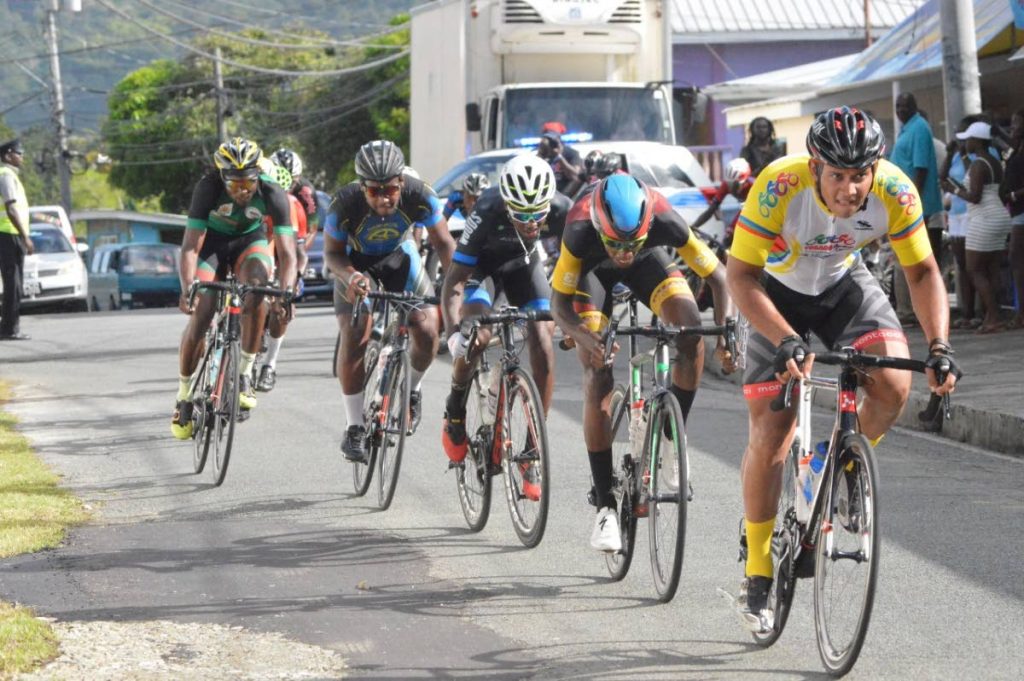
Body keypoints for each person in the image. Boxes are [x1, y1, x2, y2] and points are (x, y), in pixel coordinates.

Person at [725, 107, 959, 631]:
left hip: (841, 288)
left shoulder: (895, 192)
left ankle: (835, 463)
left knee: (894, 383)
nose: (850, 190)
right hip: (773, 293)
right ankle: (759, 568)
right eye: (837, 176)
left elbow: (921, 270)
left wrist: (940, 345)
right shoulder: (778, 185)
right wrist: (784, 338)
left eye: (860, 176)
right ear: (814, 167)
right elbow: (739, 275)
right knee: (772, 432)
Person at [550, 173, 734, 552]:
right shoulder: (580, 227)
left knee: (691, 331)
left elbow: (718, 275)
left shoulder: (664, 217)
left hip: (651, 264)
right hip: (591, 272)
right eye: (616, 244)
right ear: (601, 227)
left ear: (647, 225)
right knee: (596, 370)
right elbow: (559, 304)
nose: (624, 252)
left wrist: (729, 331)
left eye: (631, 242)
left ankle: (669, 436)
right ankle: (604, 508)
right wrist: (586, 338)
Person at [440, 156, 570, 499]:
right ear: (506, 203)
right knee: (478, 336)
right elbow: (454, 281)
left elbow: (585, 265)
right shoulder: (486, 208)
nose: (530, 222)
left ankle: (531, 452)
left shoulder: (562, 210)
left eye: (536, 215)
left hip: (525, 267)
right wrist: (455, 332)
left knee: (543, 338)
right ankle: (454, 411)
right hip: (483, 271)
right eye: (520, 214)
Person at [325, 140, 456, 463]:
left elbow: (444, 243)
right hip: (356, 264)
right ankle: (354, 427)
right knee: (356, 330)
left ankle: (412, 390)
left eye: (390, 190)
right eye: (374, 191)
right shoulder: (344, 203)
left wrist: (457, 289)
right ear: (362, 186)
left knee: (427, 330)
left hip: (400, 258)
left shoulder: (419, 193)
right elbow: (332, 253)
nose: (383, 198)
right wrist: (350, 277)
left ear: (401, 182)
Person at [171, 138, 297, 439]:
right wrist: (188, 286)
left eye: (248, 183)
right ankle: (184, 395)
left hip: (248, 243)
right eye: (234, 184)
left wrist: (286, 292)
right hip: (211, 245)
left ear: (258, 176)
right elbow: (190, 246)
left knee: (259, 293)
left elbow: (289, 254)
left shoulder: (273, 193)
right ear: (222, 177)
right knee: (202, 311)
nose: (242, 190)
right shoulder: (207, 187)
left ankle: (244, 374)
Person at [950, 121, 1011, 334]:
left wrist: (954, 190)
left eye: (968, 139)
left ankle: (993, 316)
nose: (965, 142)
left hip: (983, 217)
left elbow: (974, 197)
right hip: (999, 215)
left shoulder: (979, 164)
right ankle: (995, 315)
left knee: (974, 269)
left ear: (976, 141)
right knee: (992, 268)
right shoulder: (994, 162)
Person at [890, 94, 945, 323]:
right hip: (901, 205)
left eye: (905, 106)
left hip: (915, 207)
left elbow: (920, 169)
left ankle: (917, 311)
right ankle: (908, 310)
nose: (901, 110)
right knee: (903, 261)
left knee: (914, 262)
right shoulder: (907, 128)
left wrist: (911, 206)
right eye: (898, 106)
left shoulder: (920, 127)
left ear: (915, 107)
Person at [254, 161, 308, 392]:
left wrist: (294, 280)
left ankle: (270, 365)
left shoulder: (289, 204)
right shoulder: (245, 198)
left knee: (280, 309)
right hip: (254, 251)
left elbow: (294, 252)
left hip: (280, 255)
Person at [940, 117, 981, 329]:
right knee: (962, 266)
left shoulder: (981, 156)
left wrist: (964, 153)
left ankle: (979, 311)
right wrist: (950, 153)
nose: (960, 139)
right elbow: (942, 176)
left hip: (972, 214)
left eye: (964, 134)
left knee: (974, 265)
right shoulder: (956, 155)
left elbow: (969, 175)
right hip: (955, 214)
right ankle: (967, 312)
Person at [0, 139, 32, 341]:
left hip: (9, 234)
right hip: (9, 234)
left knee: (13, 283)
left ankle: (7, 327)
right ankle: (10, 329)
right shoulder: (5, 175)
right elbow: (11, 209)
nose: (21, 157)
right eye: (18, 153)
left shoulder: (8, 175)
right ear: (7, 155)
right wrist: (25, 237)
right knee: (13, 284)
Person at [998, 109, 1024, 329]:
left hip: (1021, 212)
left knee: (1017, 260)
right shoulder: (1016, 149)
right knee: (1017, 262)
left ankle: (1021, 315)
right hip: (1017, 212)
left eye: (1017, 123)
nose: (1013, 127)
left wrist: (1014, 195)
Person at [690, 157, 754, 245]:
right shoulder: (726, 185)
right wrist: (693, 227)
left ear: (745, 181)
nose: (733, 188)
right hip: (744, 208)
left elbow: (744, 212)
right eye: (731, 184)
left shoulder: (753, 187)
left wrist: (730, 230)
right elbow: (711, 209)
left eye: (736, 185)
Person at [536, 130, 583, 196]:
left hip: (567, 195)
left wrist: (559, 157)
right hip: (547, 194)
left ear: (560, 143)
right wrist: (540, 154)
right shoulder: (544, 155)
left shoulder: (572, 154)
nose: (552, 147)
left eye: (553, 144)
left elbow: (574, 176)